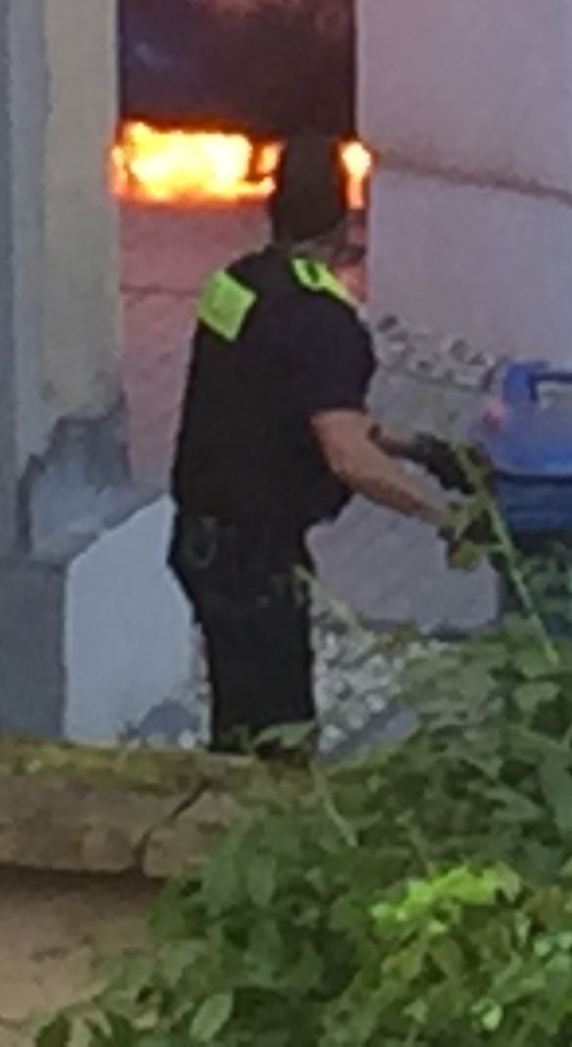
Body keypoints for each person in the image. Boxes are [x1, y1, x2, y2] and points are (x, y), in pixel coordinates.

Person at [166, 133, 475, 753]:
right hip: (256, 559)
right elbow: (344, 452)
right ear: (345, 223)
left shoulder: (236, 285)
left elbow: (283, 399)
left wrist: (421, 449)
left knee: (237, 719)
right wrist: (443, 517)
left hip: (202, 542)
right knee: (277, 743)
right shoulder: (324, 322)